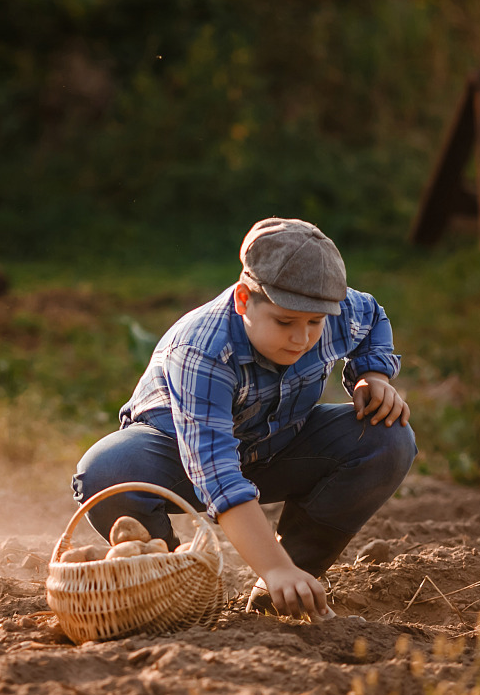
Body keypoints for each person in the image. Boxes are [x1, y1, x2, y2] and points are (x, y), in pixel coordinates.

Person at [72, 217, 416, 618]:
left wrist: (372, 376)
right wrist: (271, 566)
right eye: (285, 322)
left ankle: (289, 586)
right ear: (242, 300)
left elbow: (371, 316)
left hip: (279, 446)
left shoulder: (332, 310)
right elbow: (215, 468)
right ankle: (170, 582)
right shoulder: (202, 350)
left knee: (388, 437)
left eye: (315, 324)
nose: (302, 338)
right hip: (181, 457)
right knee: (108, 472)